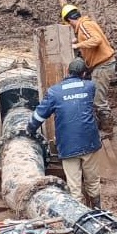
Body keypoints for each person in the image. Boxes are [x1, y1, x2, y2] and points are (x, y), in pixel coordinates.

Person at [25, 58, 102, 207]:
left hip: (68, 145)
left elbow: (40, 115)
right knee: (93, 181)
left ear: (68, 72)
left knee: (74, 186)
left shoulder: (54, 92)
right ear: (84, 73)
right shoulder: (90, 87)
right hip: (89, 142)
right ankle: (97, 210)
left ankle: (79, 215)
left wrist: (30, 129)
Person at [60, 4, 117, 137]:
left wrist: (77, 45)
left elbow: (96, 40)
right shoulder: (85, 25)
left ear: (69, 20)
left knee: (98, 100)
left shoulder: (84, 25)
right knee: (96, 98)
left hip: (103, 65)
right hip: (101, 65)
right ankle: (102, 127)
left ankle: (107, 131)